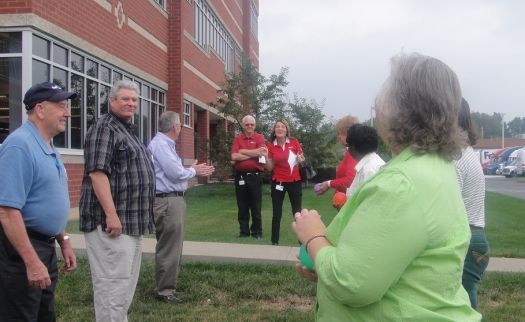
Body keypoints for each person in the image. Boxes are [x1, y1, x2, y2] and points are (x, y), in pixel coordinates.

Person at [292, 53, 481, 321]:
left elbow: (352, 283)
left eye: (388, 84)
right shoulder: (435, 166)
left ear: (400, 106)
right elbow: (380, 262)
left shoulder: (401, 184)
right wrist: (323, 262)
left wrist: (312, 236)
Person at [79, 80, 156, 322]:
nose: (131, 103)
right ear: (112, 101)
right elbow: (97, 173)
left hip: (131, 223)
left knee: (122, 291)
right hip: (111, 224)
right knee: (112, 290)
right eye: (125, 99)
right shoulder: (104, 128)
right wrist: (112, 215)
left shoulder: (126, 129)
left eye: (134, 100)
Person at [0, 82, 77, 321]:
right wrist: (31, 262)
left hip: (45, 247)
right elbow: (7, 211)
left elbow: (46, 198)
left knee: (44, 315)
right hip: (22, 250)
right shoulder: (20, 145)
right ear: (40, 110)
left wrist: (62, 238)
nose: (68, 113)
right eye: (61, 106)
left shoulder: (47, 144)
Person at [148, 111, 215, 303]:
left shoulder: (164, 144)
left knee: (172, 245)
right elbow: (175, 173)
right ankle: (164, 291)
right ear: (174, 127)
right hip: (168, 201)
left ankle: (166, 287)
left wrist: (190, 170)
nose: (181, 127)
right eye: (180, 124)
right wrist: (194, 170)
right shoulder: (161, 145)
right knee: (169, 246)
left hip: (171, 200)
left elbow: (176, 172)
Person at [456, 98, 489, 309]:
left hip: (468, 239)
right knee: (467, 294)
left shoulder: (456, 158)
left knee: (463, 301)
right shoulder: (467, 152)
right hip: (477, 237)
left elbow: (449, 203)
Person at [266, 119, 305, 245]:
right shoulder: (270, 145)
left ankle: (301, 242)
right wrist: (266, 157)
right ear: (274, 130)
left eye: (282, 126)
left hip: (294, 181)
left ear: (286, 129)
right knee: (277, 213)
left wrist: (300, 159)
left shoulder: (294, 142)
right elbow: (270, 168)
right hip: (278, 182)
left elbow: (302, 158)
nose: (280, 129)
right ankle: (274, 242)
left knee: (297, 212)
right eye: (277, 126)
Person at [231, 115, 267, 239]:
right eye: (247, 124)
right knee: (242, 206)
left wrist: (243, 151)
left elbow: (261, 153)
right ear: (243, 125)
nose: (249, 126)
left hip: (255, 177)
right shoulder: (237, 139)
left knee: (256, 206)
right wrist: (253, 153)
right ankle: (244, 232)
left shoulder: (260, 137)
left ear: (255, 125)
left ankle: (257, 232)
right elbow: (234, 157)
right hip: (240, 178)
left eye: (252, 124)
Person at [316, 115, 358, 195]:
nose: (338, 137)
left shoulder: (353, 153)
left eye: (339, 133)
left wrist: (329, 183)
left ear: (347, 133)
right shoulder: (351, 151)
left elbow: (350, 181)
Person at [344, 124, 385, 199]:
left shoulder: (368, 170)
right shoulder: (373, 164)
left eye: (347, 146)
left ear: (352, 147)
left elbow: (369, 204)